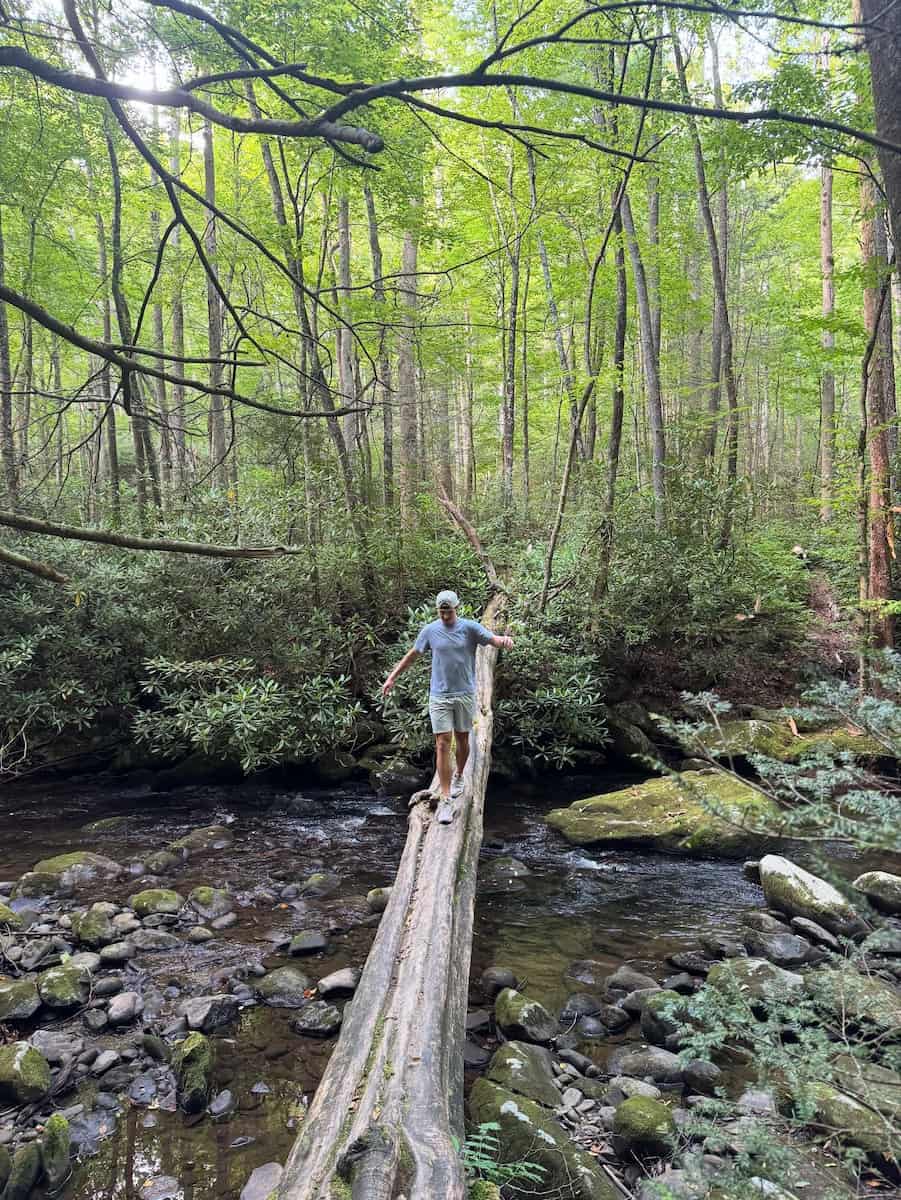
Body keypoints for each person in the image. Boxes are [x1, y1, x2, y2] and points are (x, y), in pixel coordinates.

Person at [381, 589, 514, 822]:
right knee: (443, 743)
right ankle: (445, 799)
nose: (444, 616)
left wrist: (503, 641)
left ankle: (460, 775)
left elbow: (492, 639)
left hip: (464, 694)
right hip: (439, 696)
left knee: (462, 739)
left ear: (456, 608)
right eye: (441, 612)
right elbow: (413, 655)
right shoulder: (430, 631)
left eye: (448, 611)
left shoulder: (470, 628)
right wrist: (392, 677)